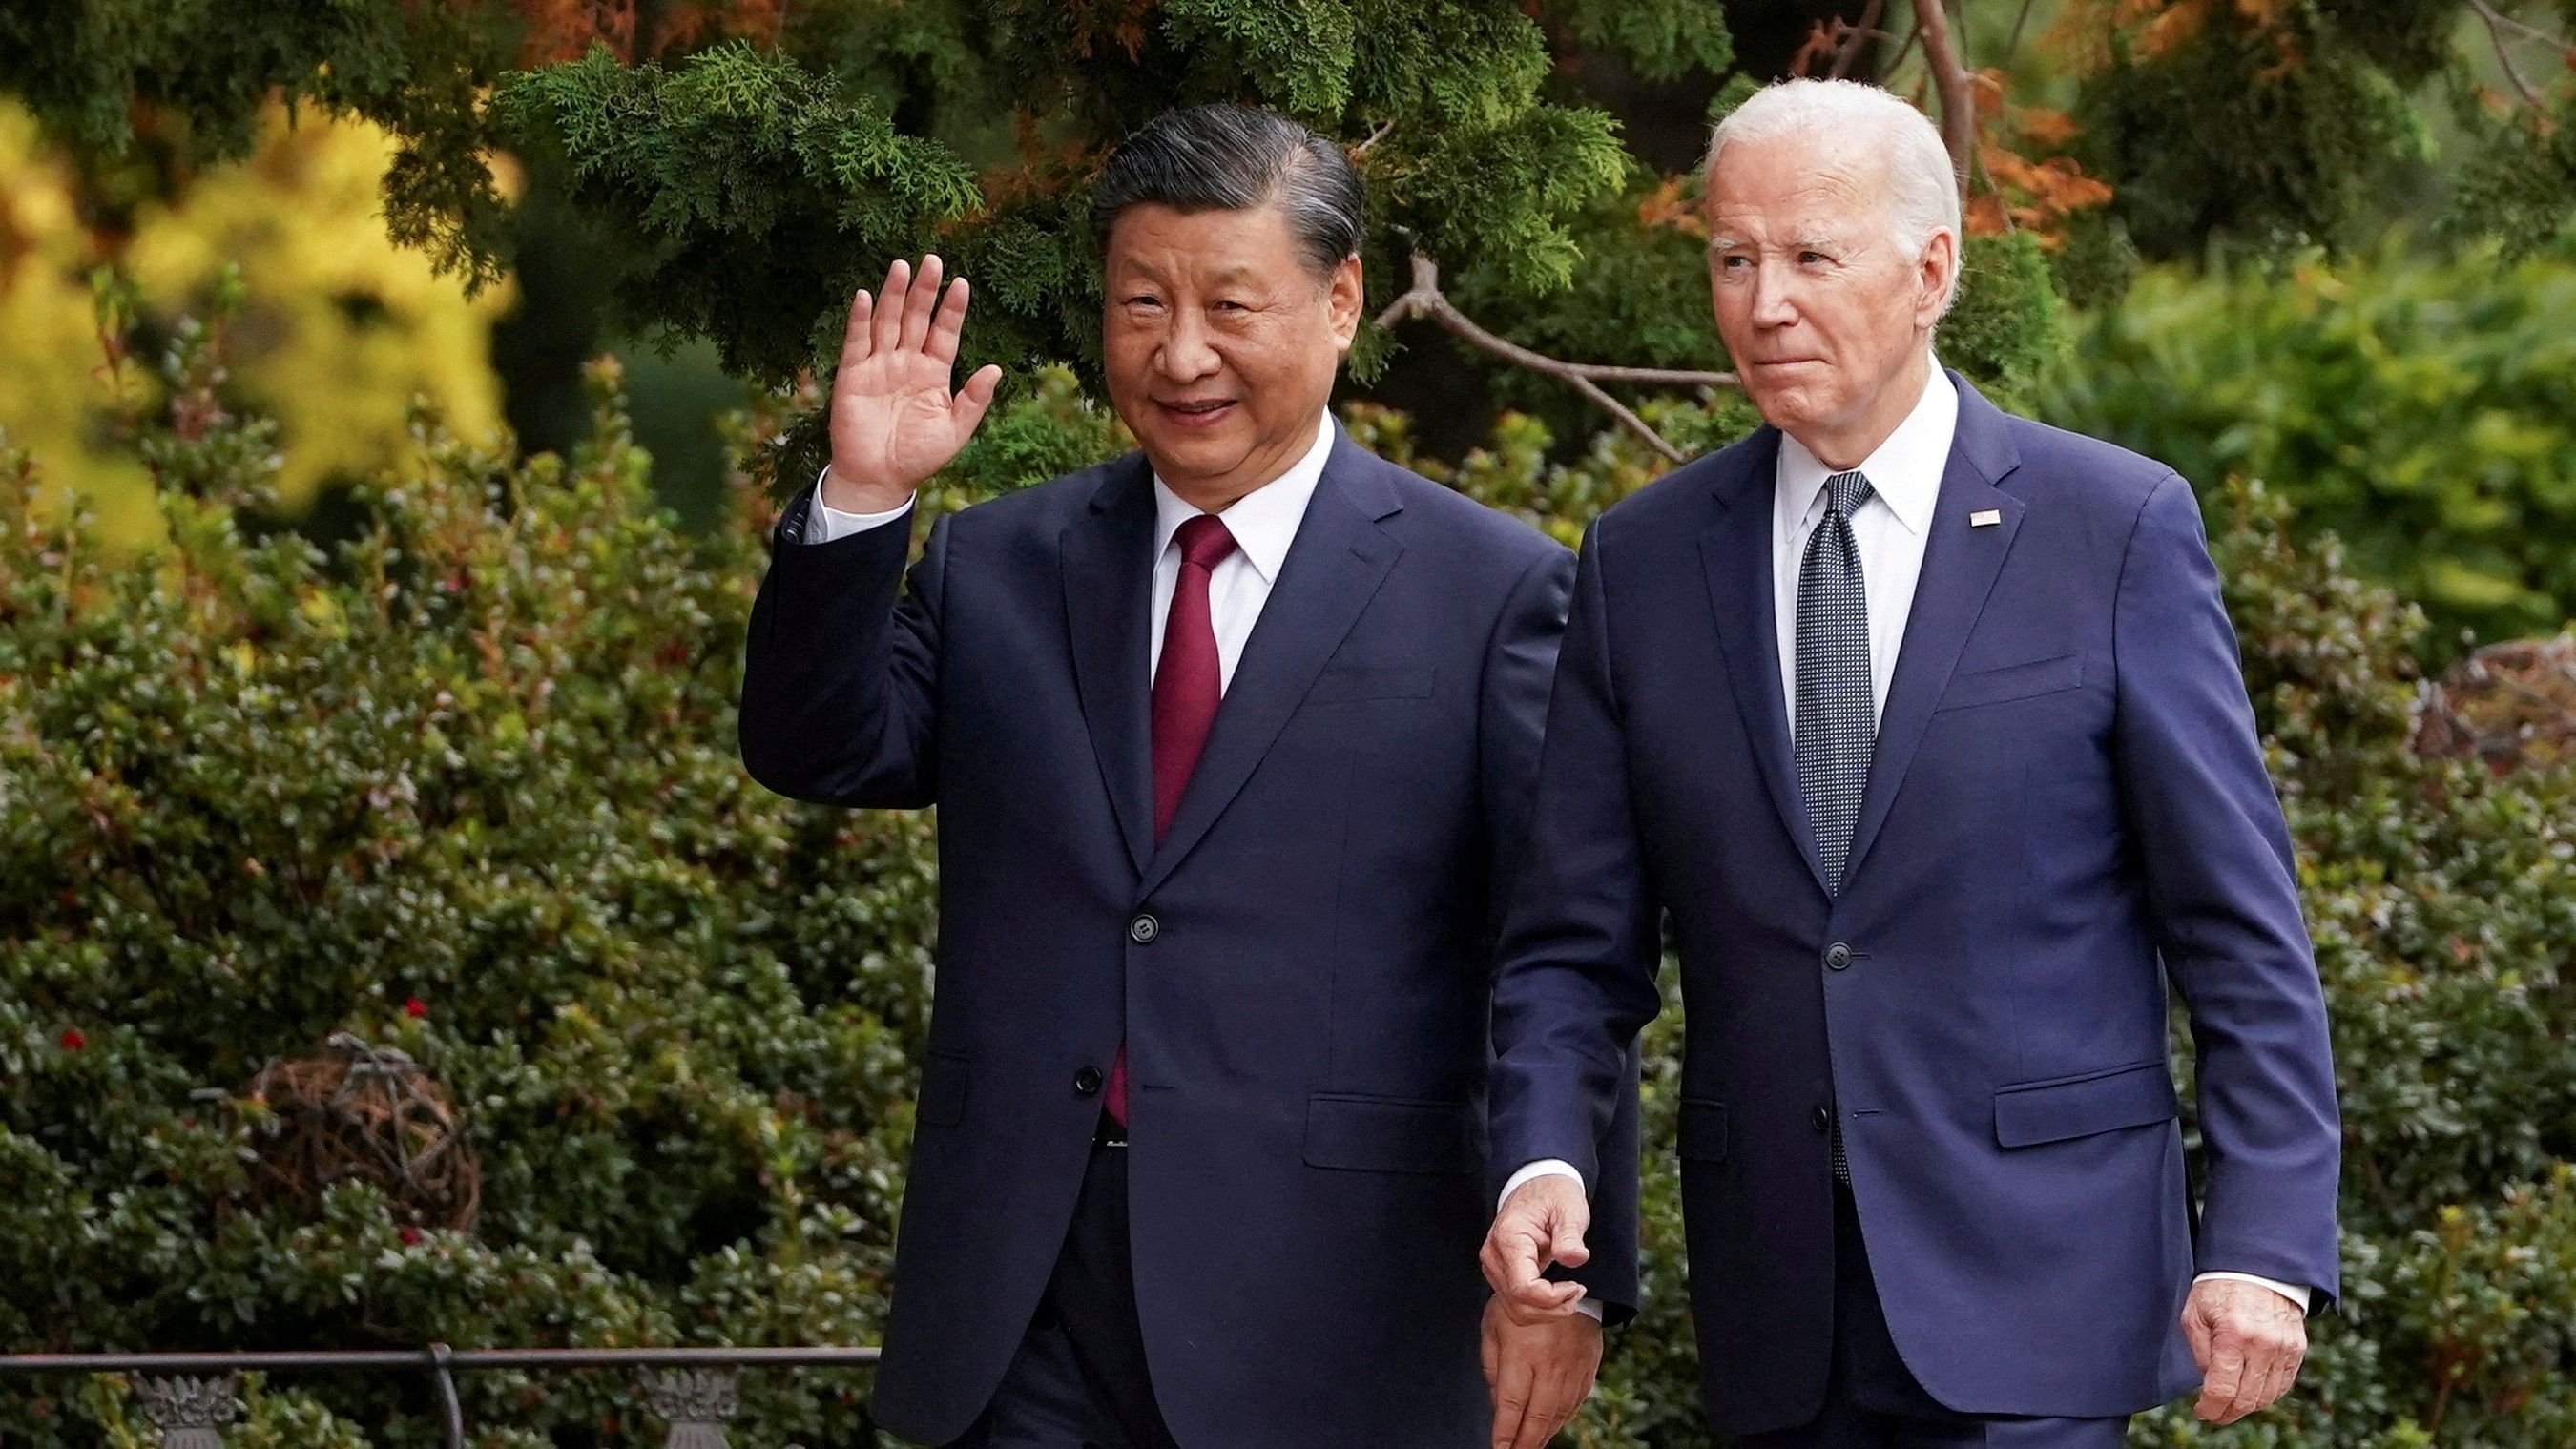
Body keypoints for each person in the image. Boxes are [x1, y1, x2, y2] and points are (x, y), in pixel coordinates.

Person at [739, 103, 1634, 1449]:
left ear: (1341, 302)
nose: (1181, 353)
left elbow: (1563, 950)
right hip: (1025, 1291)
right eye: (1140, 303)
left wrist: (1570, 1268)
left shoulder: (1492, 594)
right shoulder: (1006, 567)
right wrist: (863, 498)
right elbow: (821, 744)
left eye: (1230, 304)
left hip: (1336, 1306)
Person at [1481, 78, 2340, 1449]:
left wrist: (2266, 1241)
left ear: (1932, 269)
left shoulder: (2112, 528)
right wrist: (1541, 1159)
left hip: (2043, 1297)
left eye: (1811, 256)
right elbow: (1571, 952)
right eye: (1732, 257)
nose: (1763, 303)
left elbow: (2238, 931)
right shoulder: (1643, 562)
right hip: (1776, 1316)